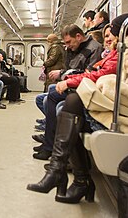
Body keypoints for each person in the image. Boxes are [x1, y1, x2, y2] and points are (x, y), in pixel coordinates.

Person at [27, 0, 128, 204]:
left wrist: (113, 85)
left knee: (67, 106)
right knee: (68, 105)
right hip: (126, 104)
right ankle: (65, 173)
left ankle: (70, 176)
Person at [33, 24, 103, 160]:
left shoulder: (95, 49)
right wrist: (65, 75)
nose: (67, 46)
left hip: (83, 88)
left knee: (51, 98)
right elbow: (69, 68)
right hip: (74, 84)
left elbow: (88, 74)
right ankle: (50, 143)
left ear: (78, 36)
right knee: (48, 96)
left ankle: (50, 146)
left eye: (69, 42)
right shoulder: (73, 49)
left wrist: (65, 77)